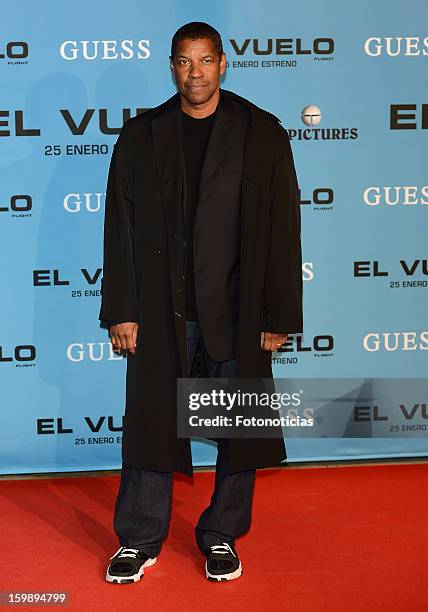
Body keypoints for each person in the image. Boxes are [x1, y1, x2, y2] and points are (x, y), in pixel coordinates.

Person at [99, 21, 303, 584]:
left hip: (237, 311)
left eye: (205, 61)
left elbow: (286, 230)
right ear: (172, 67)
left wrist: (278, 314)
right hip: (161, 311)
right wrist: (122, 309)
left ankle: (221, 535)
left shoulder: (261, 133)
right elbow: (118, 228)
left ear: (222, 63)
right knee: (152, 425)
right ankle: (139, 539)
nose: (195, 73)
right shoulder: (142, 136)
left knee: (239, 428)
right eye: (185, 62)